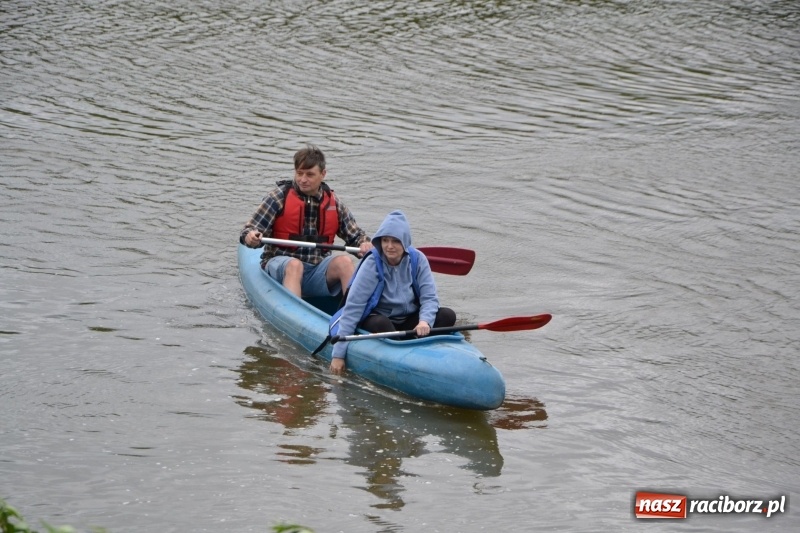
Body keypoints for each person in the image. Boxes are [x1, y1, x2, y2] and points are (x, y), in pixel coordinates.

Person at [329, 210, 456, 375]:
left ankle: (416, 346)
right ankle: (404, 352)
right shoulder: (372, 263)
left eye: (395, 241)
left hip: (408, 319)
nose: (389, 246)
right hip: (379, 319)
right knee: (382, 324)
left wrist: (425, 322)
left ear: (405, 241)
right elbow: (353, 307)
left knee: (447, 315)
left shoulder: (418, 259)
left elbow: (430, 298)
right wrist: (338, 355)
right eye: (385, 240)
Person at [240, 145, 373, 298]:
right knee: (295, 265)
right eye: (299, 173)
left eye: (310, 174)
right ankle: (291, 309)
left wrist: (364, 243)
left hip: (316, 271)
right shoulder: (278, 197)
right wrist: (251, 237)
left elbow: (355, 236)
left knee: (345, 262)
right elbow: (249, 230)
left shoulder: (334, 203)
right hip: (282, 267)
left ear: (323, 174)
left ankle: (354, 310)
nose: (303, 180)